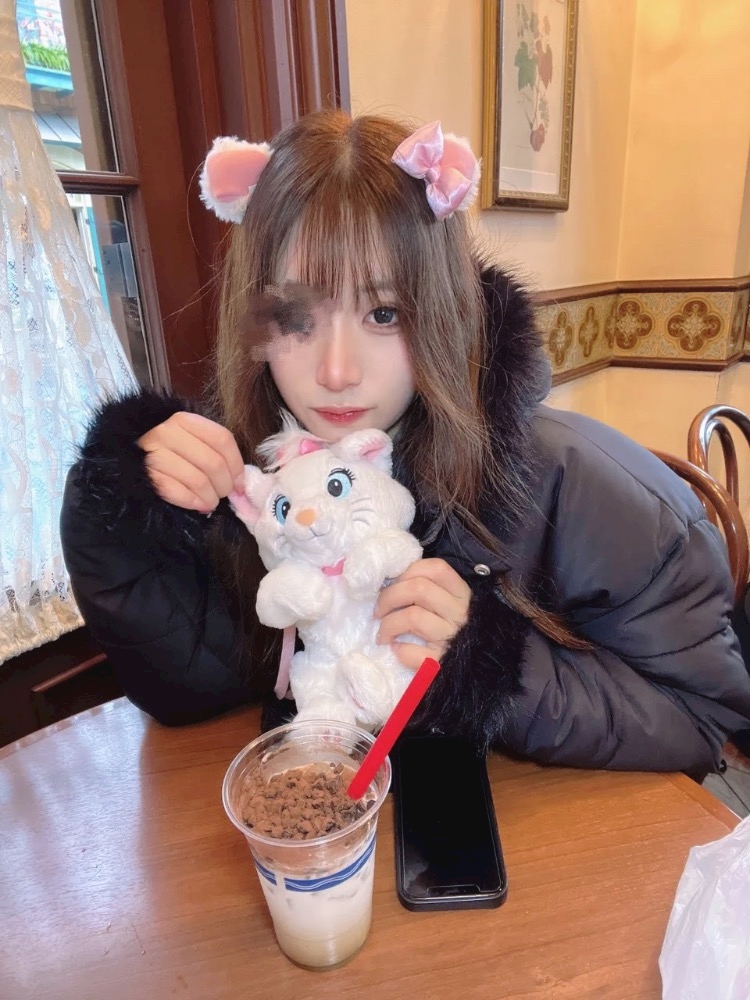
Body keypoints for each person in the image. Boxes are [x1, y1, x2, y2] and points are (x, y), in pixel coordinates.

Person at [60, 110, 750, 780]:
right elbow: (187, 684)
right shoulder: (257, 474)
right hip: (333, 823)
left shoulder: (572, 480)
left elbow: (697, 714)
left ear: (441, 311)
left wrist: (484, 662)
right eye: (296, 317)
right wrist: (121, 509)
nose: (336, 371)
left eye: (384, 313)